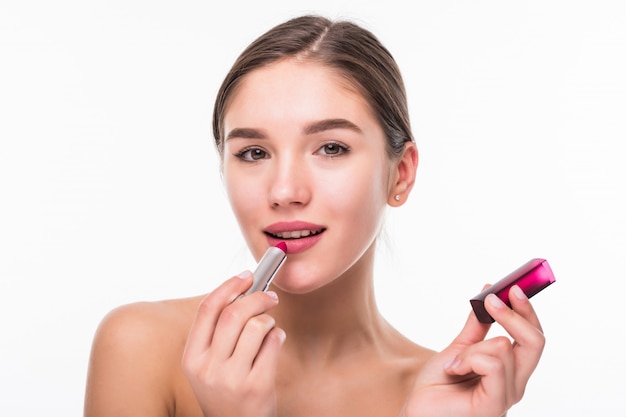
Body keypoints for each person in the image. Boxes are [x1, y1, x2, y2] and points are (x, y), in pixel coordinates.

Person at [84, 14, 546, 417]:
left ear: (400, 175)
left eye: (331, 148)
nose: (284, 191)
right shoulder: (141, 349)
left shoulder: (447, 391)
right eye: (253, 152)